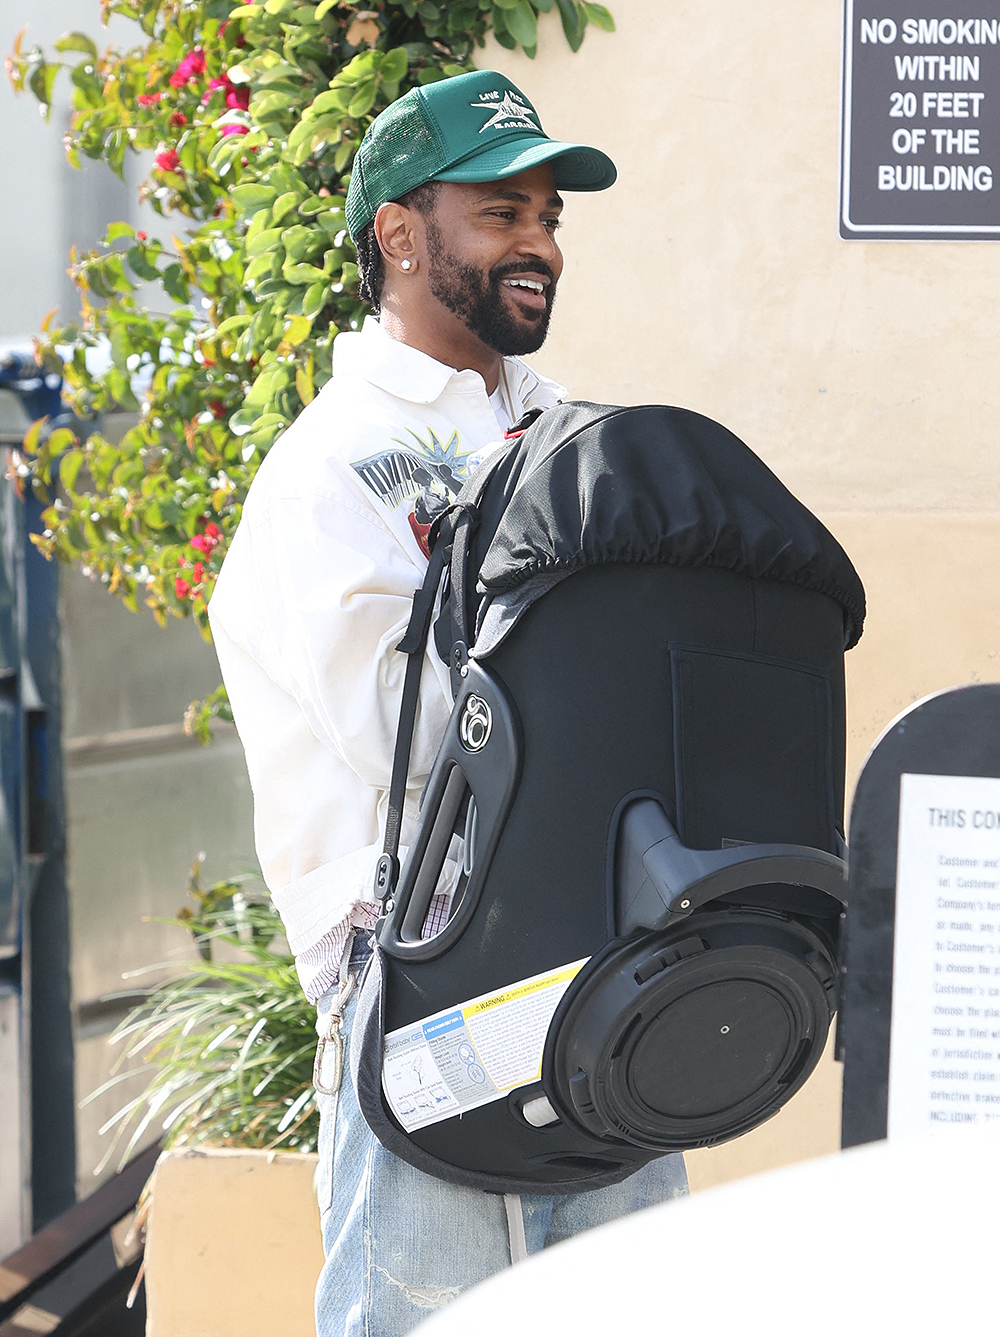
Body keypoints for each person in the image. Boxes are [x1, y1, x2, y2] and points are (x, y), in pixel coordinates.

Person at [208, 68, 688, 1337]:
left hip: (600, 956)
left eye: (549, 216)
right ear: (402, 235)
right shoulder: (330, 469)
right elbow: (408, 735)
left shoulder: (565, 433)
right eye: (502, 211)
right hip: (425, 981)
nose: (538, 243)